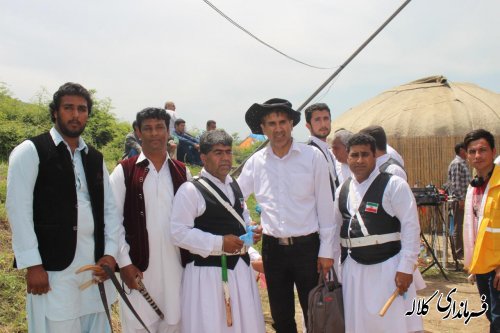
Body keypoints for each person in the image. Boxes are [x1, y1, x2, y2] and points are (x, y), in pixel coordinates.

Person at [6, 82, 121, 333]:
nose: (76, 114)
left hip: (93, 268)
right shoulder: (31, 151)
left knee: (96, 325)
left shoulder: (95, 158)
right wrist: (32, 264)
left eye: (82, 109)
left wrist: (111, 254)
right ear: (56, 112)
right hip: (54, 270)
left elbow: (111, 212)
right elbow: (18, 210)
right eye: (68, 108)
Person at [238, 98, 336, 332]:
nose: (278, 128)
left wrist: (326, 251)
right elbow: (234, 198)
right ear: (263, 129)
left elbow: (326, 207)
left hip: (308, 249)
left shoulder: (312, 158)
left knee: (315, 312)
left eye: (282, 121)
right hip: (273, 250)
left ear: (292, 124)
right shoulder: (255, 163)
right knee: (281, 316)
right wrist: (247, 225)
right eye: (271, 123)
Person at [170, 129, 266, 333]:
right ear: (203, 158)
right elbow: (178, 233)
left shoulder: (235, 187)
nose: (225, 158)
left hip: (241, 271)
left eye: (228, 152)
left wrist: (251, 232)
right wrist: (219, 243)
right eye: (218, 153)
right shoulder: (190, 190)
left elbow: (243, 222)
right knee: (214, 325)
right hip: (208, 276)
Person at [110, 107, 189, 333]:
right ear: (138, 132)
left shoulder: (183, 172)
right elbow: (112, 220)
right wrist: (124, 263)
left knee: (175, 323)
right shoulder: (124, 171)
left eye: (159, 128)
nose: (154, 133)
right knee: (138, 327)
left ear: (168, 131)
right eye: (148, 128)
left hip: (177, 270)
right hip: (138, 271)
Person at [334, 133, 422, 333]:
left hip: (388, 268)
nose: (359, 160)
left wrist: (406, 267)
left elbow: (411, 226)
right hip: (352, 270)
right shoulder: (342, 190)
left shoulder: (394, 185)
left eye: (365, 154)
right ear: (347, 157)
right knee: (358, 324)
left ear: (375, 157)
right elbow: (334, 229)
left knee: (390, 324)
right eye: (354, 155)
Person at [463, 129, 500, 332]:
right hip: (482, 265)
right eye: (472, 151)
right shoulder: (474, 186)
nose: (477, 155)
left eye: (482, 150)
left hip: (497, 267)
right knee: (490, 314)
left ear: (493, 151)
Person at [305, 102, 339, 195]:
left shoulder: (328, 151)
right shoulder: (308, 153)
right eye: (317, 120)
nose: (323, 124)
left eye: (326, 118)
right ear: (308, 125)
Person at [446, 142, 472, 259]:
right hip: (458, 200)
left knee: (461, 225)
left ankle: (460, 251)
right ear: (461, 150)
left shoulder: (462, 163)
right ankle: (458, 252)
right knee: (458, 225)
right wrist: (461, 199)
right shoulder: (457, 164)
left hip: (463, 199)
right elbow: (456, 184)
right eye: (466, 149)